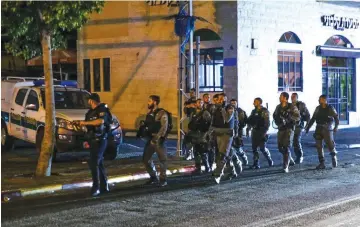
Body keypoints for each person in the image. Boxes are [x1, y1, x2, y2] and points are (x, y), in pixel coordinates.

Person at [74, 93, 112, 197]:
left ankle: (96, 187)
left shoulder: (102, 109)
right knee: (98, 163)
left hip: (100, 140)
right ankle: (104, 186)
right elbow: (87, 127)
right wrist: (79, 125)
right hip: (92, 140)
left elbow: (101, 121)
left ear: (92, 100)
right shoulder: (90, 112)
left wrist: (84, 123)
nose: (88, 102)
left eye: (89, 100)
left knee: (94, 163)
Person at [211, 94, 242, 184]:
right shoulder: (216, 109)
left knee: (222, 155)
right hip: (217, 133)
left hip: (227, 134)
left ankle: (218, 174)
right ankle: (232, 169)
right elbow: (213, 122)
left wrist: (222, 109)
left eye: (222, 99)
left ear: (225, 99)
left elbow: (227, 119)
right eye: (218, 99)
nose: (220, 100)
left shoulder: (229, 108)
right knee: (224, 154)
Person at [304, 95, 339, 169]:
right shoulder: (318, 108)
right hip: (318, 128)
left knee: (330, 144)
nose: (319, 100)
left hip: (327, 128)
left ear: (325, 100)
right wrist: (308, 128)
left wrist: (336, 127)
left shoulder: (330, 108)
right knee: (319, 146)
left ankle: (333, 157)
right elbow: (313, 118)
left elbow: (336, 118)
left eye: (320, 99)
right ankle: (322, 163)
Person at [142, 95, 169, 186]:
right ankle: (153, 177)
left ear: (155, 102)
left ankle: (163, 179)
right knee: (146, 159)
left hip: (158, 140)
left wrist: (157, 138)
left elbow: (164, 127)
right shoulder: (149, 113)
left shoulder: (162, 113)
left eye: (149, 101)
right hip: (150, 139)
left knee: (162, 160)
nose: (148, 102)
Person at [273, 92, 300, 173]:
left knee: (286, 146)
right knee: (280, 147)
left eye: (281, 96)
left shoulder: (292, 106)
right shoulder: (278, 107)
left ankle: (285, 165)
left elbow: (298, 117)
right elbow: (275, 115)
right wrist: (279, 120)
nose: (279, 98)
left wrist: (289, 118)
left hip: (289, 128)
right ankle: (289, 158)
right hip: (281, 128)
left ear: (285, 98)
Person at [246, 97, 273, 169]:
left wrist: (264, 132)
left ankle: (269, 159)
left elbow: (267, 123)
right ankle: (256, 163)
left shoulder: (264, 111)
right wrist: (248, 127)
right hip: (254, 131)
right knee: (254, 149)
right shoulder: (253, 111)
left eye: (255, 102)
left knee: (262, 148)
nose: (253, 103)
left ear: (259, 102)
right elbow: (249, 120)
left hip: (262, 132)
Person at [187, 99, 212, 173]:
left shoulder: (205, 113)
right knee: (196, 151)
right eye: (198, 103)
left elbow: (210, 123)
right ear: (195, 104)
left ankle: (207, 167)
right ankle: (198, 168)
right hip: (194, 134)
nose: (200, 104)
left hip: (202, 134)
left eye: (201, 103)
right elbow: (190, 123)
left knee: (203, 151)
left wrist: (207, 134)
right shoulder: (193, 113)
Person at [291, 93, 311, 164]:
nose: (292, 98)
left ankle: (299, 156)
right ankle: (292, 157)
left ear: (297, 98)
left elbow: (308, 115)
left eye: (294, 97)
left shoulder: (301, 105)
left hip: (298, 126)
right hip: (290, 126)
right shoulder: (289, 105)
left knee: (296, 141)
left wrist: (307, 125)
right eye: (291, 97)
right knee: (291, 142)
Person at [230, 99, 249, 165]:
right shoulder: (228, 111)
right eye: (232, 103)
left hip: (238, 132)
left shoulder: (240, 111)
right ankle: (234, 163)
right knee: (230, 148)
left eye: (234, 103)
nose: (233, 104)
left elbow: (245, 121)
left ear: (237, 103)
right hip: (230, 132)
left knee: (238, 148)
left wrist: (239, 127)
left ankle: (244, 158)